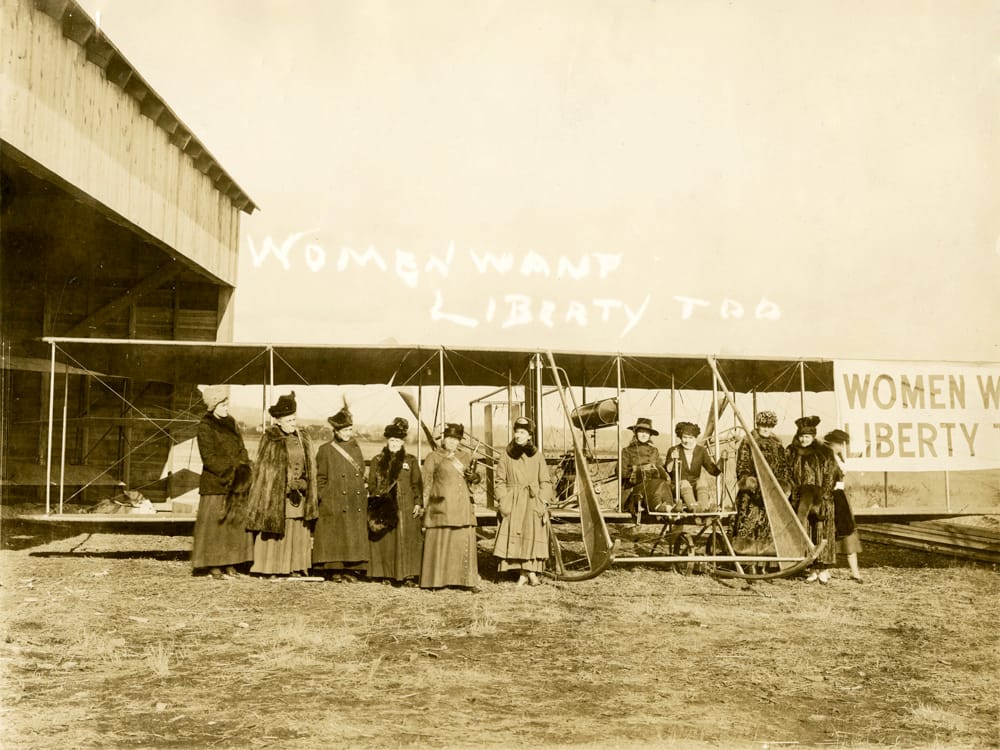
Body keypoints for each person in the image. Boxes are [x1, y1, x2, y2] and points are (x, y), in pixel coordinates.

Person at [246, 392, 318, 577]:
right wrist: (284, 482)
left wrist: (304, 482)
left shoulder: (302, 438)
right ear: (278, 421)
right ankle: (271, 568)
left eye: (294, 419)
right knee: (276, 529)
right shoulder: (270, 438)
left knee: (297, 528)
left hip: (299, 493)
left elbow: (309, 465)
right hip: (277, 493)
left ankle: (294, 567)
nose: (293, 423)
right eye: (289, 420)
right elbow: (264, 469)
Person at [191, 385, 254, 579]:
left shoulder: (232, 422)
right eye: (223, 404)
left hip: (236, 482)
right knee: (215, 528)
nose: (227, 408)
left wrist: (244, 466)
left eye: (227, 404)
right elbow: (209, 458)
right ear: (213, 405)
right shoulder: (205, 425)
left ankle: (229, 563)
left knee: (231, 527)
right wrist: (231, 471)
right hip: (216, 484)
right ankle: (213, 565)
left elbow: (241, 448)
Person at [419, 423, 481, 591]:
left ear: (459, 441)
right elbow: (426, 483)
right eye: (450, 439)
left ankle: (466, 581)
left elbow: (473, 480)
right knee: (441, 543)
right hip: (441, 506)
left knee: (461, 542)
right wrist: (425, 506)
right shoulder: (433, 457)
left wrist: (475, 477)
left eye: (456, 439)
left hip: (462, 507)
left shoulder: (465, 456)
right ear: (444, 439)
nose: (453, 442)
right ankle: (436, 581)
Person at [493, 416, 553, 586]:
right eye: (517, 432)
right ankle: (526, 573)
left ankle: (528, 572)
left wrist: (542, 501)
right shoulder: (506, 455)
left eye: (522, 432)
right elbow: (499, 481)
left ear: (529, 436)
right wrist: (504, 501)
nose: (518, 435)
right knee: (516, 536)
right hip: (513, 501)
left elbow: (546, 481)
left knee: (531, 536)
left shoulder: (538, 456)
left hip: (533, 500)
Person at [313, 405, 369, 581]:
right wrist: (324, 495)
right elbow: (320, 477)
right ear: (336, 431)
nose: (347, 433)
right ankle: (334, 570)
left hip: (353, 499)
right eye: (344, 430)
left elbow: (361, 471)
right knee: (335, 535)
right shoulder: (325, 449)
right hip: (334, 499)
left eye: (350, 429)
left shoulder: (355, 448)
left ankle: (350, 570)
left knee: (351, 535)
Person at [366, 417, 423, 585]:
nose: (394, 443)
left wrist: (418, 503)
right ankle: (387, 574)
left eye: (397, 440)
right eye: (391, 440)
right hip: (386, 507)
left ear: (402, 442)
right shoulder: (377, 460)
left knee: (407, 539)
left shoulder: (410, 460)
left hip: (406, 506)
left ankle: (409, 575)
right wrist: (379, 499)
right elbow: (371, 484)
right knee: (387, 541)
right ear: (387, 441)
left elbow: (417, 484)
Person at [786, 415, 838, 584]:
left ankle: (823, 568)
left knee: (822, 531)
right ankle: (811, 567)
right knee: (806, 531)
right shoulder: (791, 452)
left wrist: (823, 495)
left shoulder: (824, 452)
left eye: (807, 436)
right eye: (801, 436)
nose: (804, 440)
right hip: (801, 499)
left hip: (821, 499)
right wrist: (795, 492)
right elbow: (786, 473)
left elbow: (830, 475)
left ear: (813, 436)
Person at [732, 410, 791, 557]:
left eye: (769, 426)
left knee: (768, 526)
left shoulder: (777, 444)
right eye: (763, 426)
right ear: (758, 425)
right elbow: (742, 467)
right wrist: (753, 485)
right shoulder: (748, 442)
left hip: (772, 493)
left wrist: (781, 486)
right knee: (748, 524)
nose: (766, 429)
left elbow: (783, 468)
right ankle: (745, 559)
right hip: (752, 494)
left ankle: (765, 561)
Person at [824, 428, 863, 583]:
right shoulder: (825, 456)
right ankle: (824, 570)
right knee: (828, 532)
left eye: (842, 443)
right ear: (831, 442)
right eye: (838, 443)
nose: (841, 446)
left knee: (848, 533)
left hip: (841, 497)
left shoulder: (838, 456)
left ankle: (855, 572)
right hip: (830, 497)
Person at [664, 422, 721, 512]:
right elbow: (668, 471)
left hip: (695, 486)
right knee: (685, 482)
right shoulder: (674, 450)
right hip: (678, 486)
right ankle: (694, 509)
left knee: (702, 481)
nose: (687, 441)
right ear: (680, 437)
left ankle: (703, 509)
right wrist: (673, 460)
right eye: (684, 437)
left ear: (695, 438)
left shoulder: (701, 451)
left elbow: (712, 470)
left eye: (690, 438)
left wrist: (722, 463)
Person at [620, 417, 672, 516]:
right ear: (636, 433)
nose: (644, 435)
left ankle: (668, 507)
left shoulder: (654, 451)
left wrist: (665, 467)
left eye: (647, 432)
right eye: (641, 432)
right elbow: (622, 473)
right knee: (658, 483)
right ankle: (660, 507)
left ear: (650, 435)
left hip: (655, 485)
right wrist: (640, 470)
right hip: (635, 489)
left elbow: (661, 468)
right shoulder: (627, 451)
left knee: (661, 482)